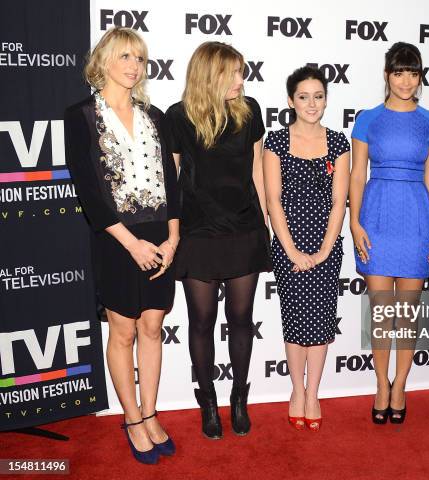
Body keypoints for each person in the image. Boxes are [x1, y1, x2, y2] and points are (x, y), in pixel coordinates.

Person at [64, 27, 179, 464]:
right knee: (125, 329)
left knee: (153, 327)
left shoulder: (156, 117)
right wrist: (131, 243)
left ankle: (150, 413)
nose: (134, 66)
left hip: (159, 236)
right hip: (116, 239)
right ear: (105, 61)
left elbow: (173, 184)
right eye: (126, 56)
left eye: (140, 58)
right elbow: (90, 191)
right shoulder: (80, 116)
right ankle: (131, 419)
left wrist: (173, 237)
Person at [164, 42, 270, 438]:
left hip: (244, 229)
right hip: (198, 232)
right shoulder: (179, 116)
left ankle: (239, 400)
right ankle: (208, 403)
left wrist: (268, 226)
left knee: (241, 320)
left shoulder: (250, 110)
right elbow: (171, 182)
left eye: (243, 72)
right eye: (234, 73)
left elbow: (258, 171)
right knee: (201, 321)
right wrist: (172, 233)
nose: (242, 80)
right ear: (211, 75)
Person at [349, 42, 429, 425]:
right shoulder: (368, 118)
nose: (406, 80)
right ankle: (380, 385)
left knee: (406, 313)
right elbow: (357, 174)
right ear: (387, 74)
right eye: (399, 72)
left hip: (416, 218)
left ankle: (400, 384)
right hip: (376, 215)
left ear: (420, 77)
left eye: (413, 72)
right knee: (381, 312)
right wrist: (355, 222)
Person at [263, 66, 350, 432]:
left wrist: (326, 249)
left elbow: (338, 202)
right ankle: (296, 390)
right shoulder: (276, 142)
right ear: (290, 101)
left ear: (326, 100)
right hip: (288, 245)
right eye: (303, 96)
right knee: (296, 319)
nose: (311, 103)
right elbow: (273, 201)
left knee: (321, 322)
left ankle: (313, 393)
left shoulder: (339, 143)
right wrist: (293, 251)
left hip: (327, 245)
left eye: (318, 96)